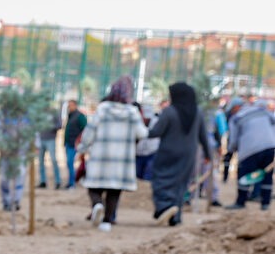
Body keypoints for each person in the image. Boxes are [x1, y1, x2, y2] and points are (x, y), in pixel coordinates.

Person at [77, 76, 148, 232]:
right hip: (122, 160)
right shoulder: (132, 112)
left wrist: (82, 148)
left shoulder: (103, 108)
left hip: (101, 156)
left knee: (94, 187)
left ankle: (97, 205)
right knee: (114, 191)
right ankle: (107, 221)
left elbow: (90, 131)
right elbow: (142, 133)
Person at [148, 83, 210, 226]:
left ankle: (164, 206)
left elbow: (156, 132)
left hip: (167, 153)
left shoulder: (169, 111)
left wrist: (142, 130)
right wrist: (208, 155)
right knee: (181, 183)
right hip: (188, 154)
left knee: (161, 179)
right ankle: (176, 216)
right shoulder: (198, 112)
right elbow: (203, 136)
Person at [225, 96, 275, 211]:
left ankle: (240, 202)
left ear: (236, 107)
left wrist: (231, 152)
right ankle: (265, 203)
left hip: (249, 150)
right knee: (267, 175)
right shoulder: (262, 111)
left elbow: (233, 140)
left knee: (243, 175)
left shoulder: (236, 118)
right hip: (270, 147)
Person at [63, 99, 87, 189]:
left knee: (70, 162)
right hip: (68, 143)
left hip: (75, 144)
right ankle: (71, 182)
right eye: (68, 105)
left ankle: (72, 183)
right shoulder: (70, 115)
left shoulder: (80, 116)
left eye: (71, 105)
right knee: (69, 163)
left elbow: (85, 130)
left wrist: (80, 142)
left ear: (75, 105)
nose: (69, 107)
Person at [37, 107, 62, 190]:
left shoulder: (54, 112)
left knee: (54, 160)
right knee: (40, 161)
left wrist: (50, 127)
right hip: (41, 139)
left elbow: (59, 125)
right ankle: (43, 181)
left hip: (50, 139)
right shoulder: (39, 112)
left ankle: (58, 182)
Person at [134, 103, 159, 181]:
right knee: (137, 176)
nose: (145, 119)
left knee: (148, 177)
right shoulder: (137, 122)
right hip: (138, 154)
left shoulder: (157, 122)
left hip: (152, 153)